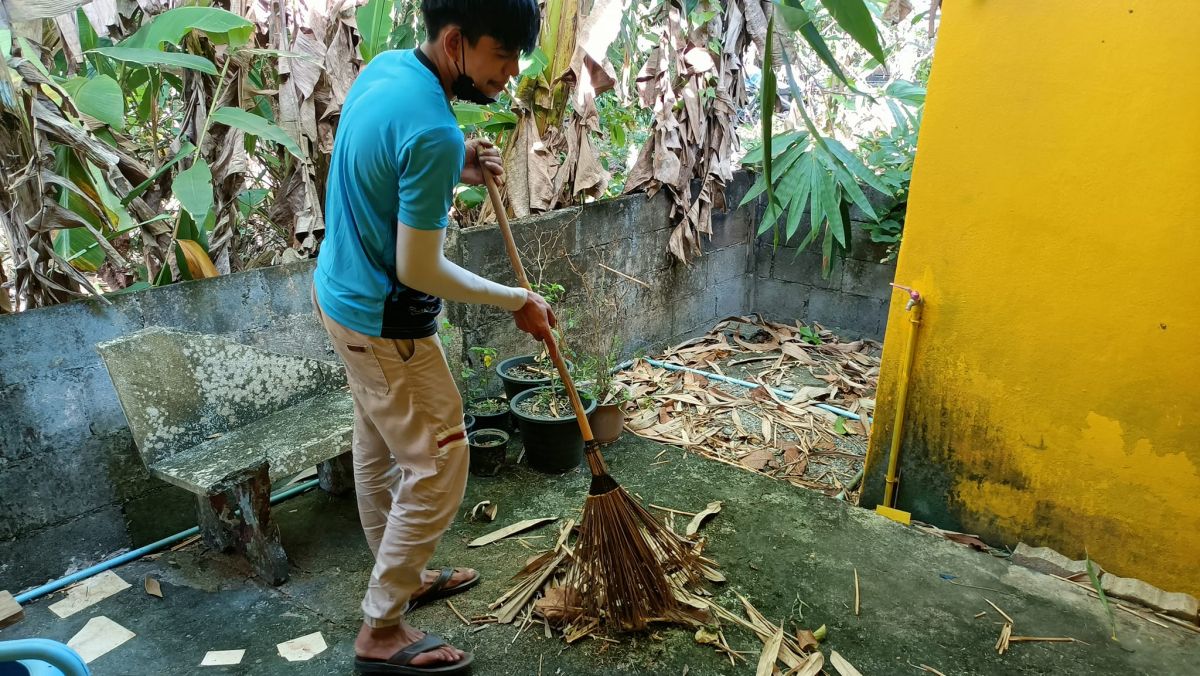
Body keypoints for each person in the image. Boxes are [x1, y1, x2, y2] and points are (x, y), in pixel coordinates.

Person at [312, 1, 550, 673]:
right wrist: (517, 300)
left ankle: (404, 579)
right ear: (455, 43)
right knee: (442, 462)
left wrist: (458, 162)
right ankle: (381, 630)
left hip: (340, 295)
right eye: (502, 54)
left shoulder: (387, 70)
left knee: (378, 447)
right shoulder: (434, 129)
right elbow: (419, 267)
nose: (511, 71)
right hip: (385, 324)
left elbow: (385, 161)